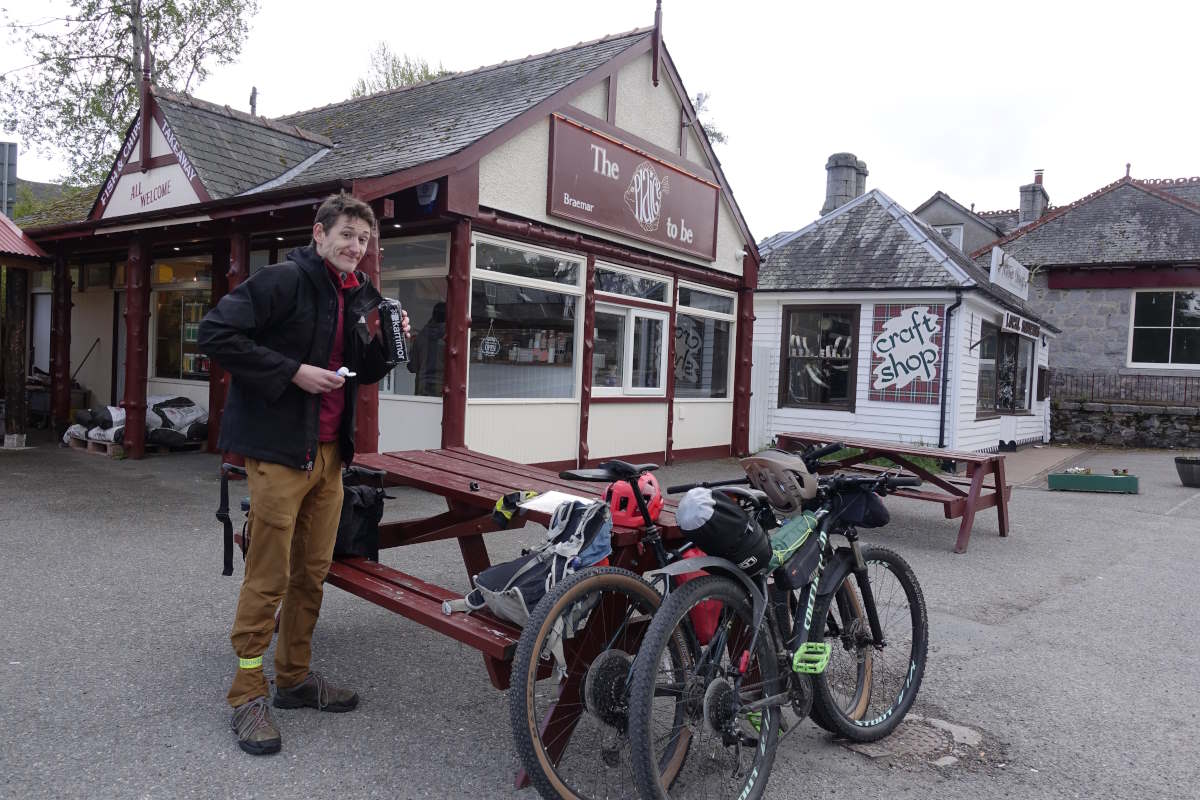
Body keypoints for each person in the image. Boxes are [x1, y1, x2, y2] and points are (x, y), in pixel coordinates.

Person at [198, 191, 409, 755]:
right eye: (346, 235)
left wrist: (389, 345)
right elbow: (215, 333)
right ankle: (246, 691)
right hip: (278, 453)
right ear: (318, 235)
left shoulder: (358, 293)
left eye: (363, 240)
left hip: (330, 458)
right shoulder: (283, 281)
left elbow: (361, 369)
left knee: (312, 573)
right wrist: (292, 372)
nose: (355, 248)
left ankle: (292, 678)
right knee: (267, 577)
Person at [406, 301, 446, 397]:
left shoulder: (420, 337)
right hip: (443, 389)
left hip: (422, 388)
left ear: (433, 316)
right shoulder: (451, 338)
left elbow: (412, 367)